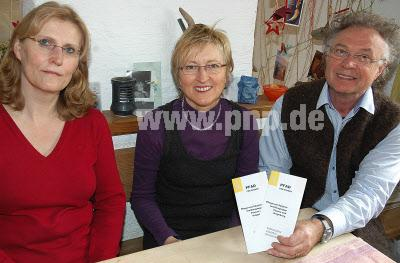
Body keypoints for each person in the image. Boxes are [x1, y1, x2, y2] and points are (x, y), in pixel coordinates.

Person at [259, 11, 400, 260]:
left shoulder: (392, 122)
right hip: (293, 219)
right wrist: (279, 224)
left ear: (381, 70)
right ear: (325, 57)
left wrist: (320, 226)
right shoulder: (290, 103)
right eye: (340, 51)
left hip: (356, 226)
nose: (348, 63)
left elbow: (369, 193)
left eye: (364, 56)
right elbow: (272, 172)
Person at [0, 2, 125, 262]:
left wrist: (100, 260)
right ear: (19, 48)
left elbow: (111, 201)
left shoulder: (92, 123)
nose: (57, 58)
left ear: (76, 63)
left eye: (69, 50)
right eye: (45, 42)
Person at [131, 24, 259, 249]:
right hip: (168, 241)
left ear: (227, 71)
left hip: (225, 238)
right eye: (190, 67)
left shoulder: (244, 121)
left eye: (213, 66)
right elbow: (142, 198)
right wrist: (169, 240)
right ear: (177, 74)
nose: (203, 77)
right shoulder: (155, 123)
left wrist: (227, 238)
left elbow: (247, 194)